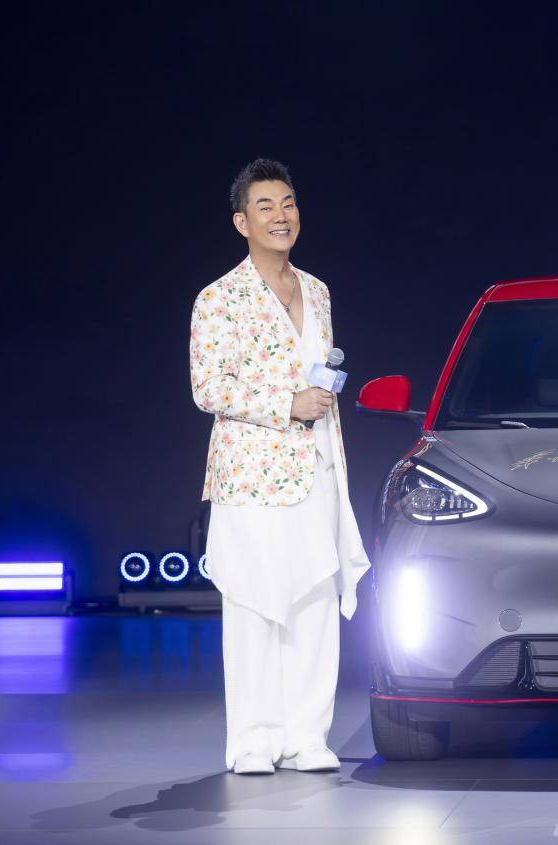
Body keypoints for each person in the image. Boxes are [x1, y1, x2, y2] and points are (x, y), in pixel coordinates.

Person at [189, 158, 370, 775]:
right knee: (255, 599)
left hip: (317, 463)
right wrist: (286, 403)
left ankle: (308, 735)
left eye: (288, 203)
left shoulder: (317, 290)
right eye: (265, 206)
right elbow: (209, 387)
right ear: (242, 222)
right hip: (251, 471)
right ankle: (253, 740)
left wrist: (316, 400)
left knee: (315, 593)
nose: (280, 216)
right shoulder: (219, 298)